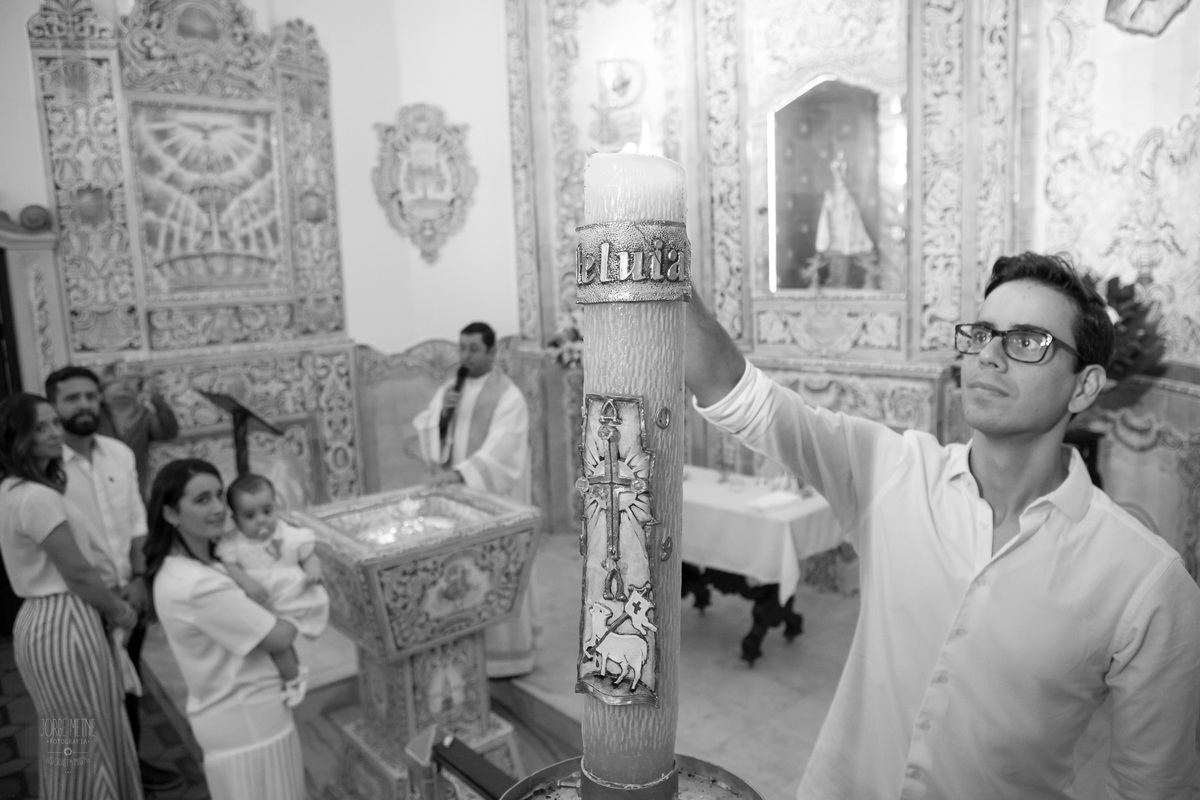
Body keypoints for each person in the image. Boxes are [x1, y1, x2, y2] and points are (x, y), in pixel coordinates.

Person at [684, 252, 1200, 799]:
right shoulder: (894, 472)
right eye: (981, 335)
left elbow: (1153, 785)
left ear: (1084, 386)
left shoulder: (1145, 581)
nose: (990, 357)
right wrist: (660, 257)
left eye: (1028, 341)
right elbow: (738, 394)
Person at [45, 365, 183, 793]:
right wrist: (109, 599)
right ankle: (75, 784)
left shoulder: (117, 454)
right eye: (72, 398)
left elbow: (135, 517)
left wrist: (139, 577)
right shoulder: (41, 471)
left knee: (127, 689)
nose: (84, 404)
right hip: (72, 605)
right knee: (71, 708)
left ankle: (128, 769)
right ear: (52, 406)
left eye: (90, 395)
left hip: (128, 592)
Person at [0, 393, 143, 800]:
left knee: (73, 730)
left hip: (46, 621)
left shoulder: (12, 489)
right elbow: (78, 573)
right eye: (38, 427)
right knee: (78, 734)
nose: (52, 433)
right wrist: (121, 612)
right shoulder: (36, 496)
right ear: (16, 437)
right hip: (64, 624)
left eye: (53, 424)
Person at [146, 459, 305, 800]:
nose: (220, 508)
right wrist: (300, 600)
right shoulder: (196, 584)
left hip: (243, 715)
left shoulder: (200, 566)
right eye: (202, 500)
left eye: (220, 495)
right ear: (171, 514)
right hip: (247, 722)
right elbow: (279, 635)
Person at [414, 321, 537, 677]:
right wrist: (441, 417)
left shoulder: (509, 396)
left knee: (494, 572)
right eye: (461, 348)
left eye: (473, 349)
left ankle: (506, 657)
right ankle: (463, 651)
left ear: (492, 351)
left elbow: (502, 451)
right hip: (458, 503)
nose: (464, 356)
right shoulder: (452, 388)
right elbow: (431, 436)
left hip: (490, 503)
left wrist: (459, 474)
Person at [219, 472, 329, 708]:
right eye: (250, 516)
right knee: (273, 645)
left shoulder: (287, 534)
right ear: (235, 518)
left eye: (267, 511)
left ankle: (292, 677)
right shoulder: (235, 542)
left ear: (276, 506)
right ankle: (292, 676)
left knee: (281, 641)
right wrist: (247, 582)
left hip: (290, 596)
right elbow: (229, 564)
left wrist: (313, 571)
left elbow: (309, 553)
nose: (261, 520)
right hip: (261, 601)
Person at [97, 361, 180, 502]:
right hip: (100, 489)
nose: (124, 384)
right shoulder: (95, 416)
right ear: (102, 390)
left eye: (130, 379)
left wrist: (156, 396)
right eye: (115, 381)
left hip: (135, 491)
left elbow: (169, 432)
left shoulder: (145, 415)